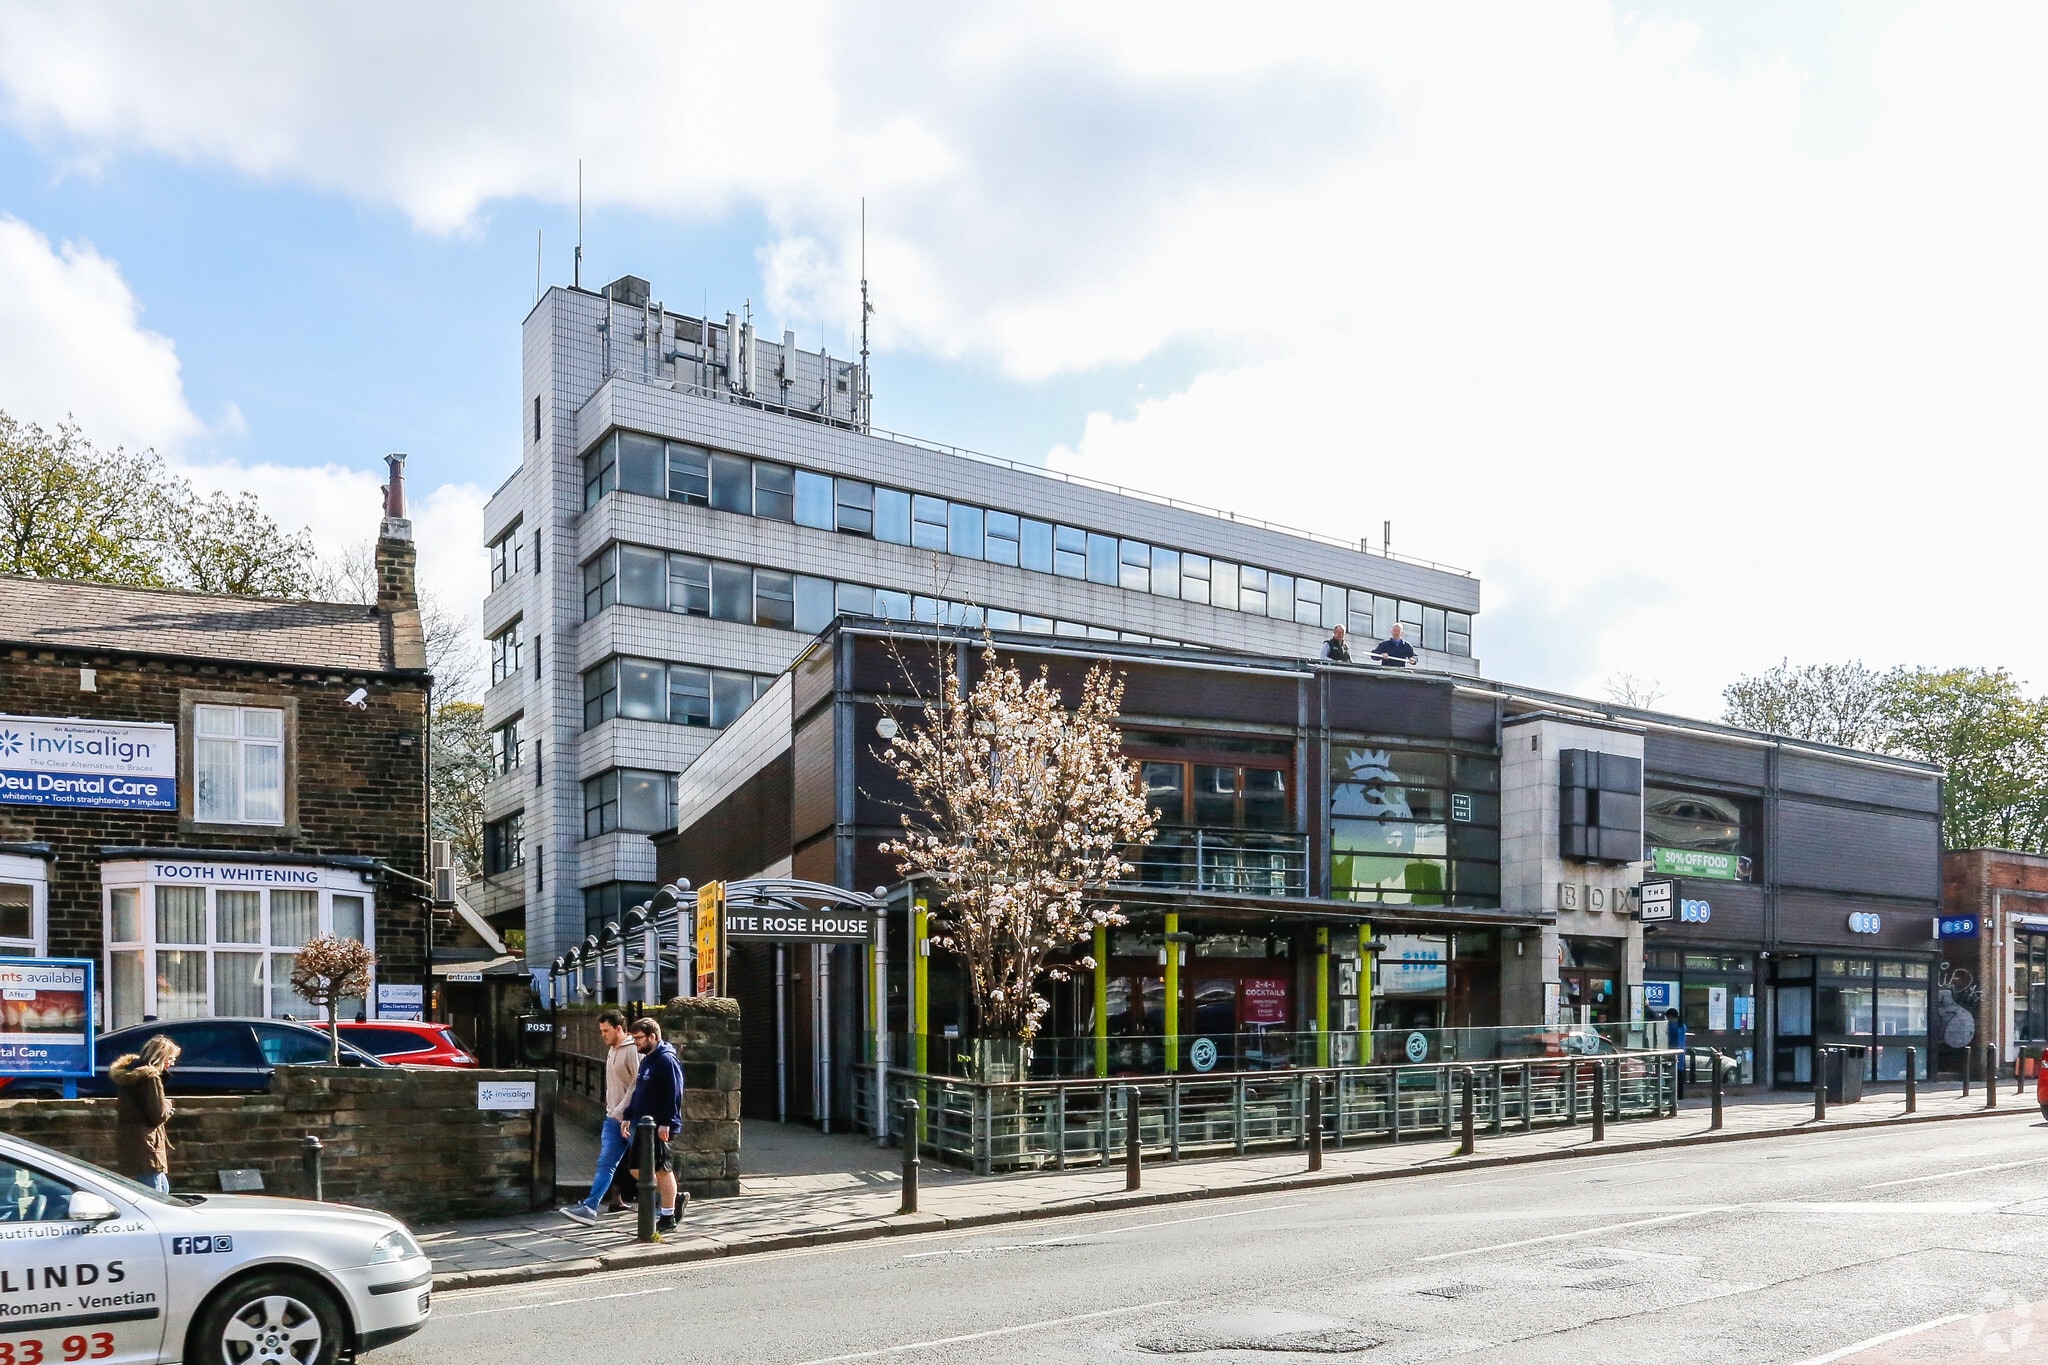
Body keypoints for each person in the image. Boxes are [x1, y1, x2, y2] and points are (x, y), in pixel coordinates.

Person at [559, 1009, 640, 1225]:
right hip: (613, 1118)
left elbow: (638, 1084)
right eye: (601, 1030)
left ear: (619, 1029)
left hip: (632, 1119)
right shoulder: (612, 1050)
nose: (602, 1034)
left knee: (646, 1165)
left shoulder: (632, 1050)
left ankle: (670, 1202)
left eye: (606, 1030)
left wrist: (624, 1111)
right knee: (606, 1164)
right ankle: (590, 1207)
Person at [623, 1017, 685, 1235]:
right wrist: (628, 1116)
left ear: (653, 1036)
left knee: (661, 1170)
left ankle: (668, 1217)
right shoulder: (647, 1059)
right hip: (642, 1125)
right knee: (636, 1169)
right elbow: (640, 1093)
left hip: (658, 1126)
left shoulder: (667, 1060)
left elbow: (675, 1093)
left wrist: (668, 1122)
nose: (635, 1043)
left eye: (638, 1038)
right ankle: (674, 1198)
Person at [110, 1034, 180, 1193]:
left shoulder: (130, 1074)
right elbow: (158, 1115)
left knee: (162, 1188)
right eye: (171, 1058)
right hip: (147, 1143)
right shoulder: (150, 1077)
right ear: (160, 1056)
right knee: (156, 1193)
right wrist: (169, 1105)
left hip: (132, 1140)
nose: (173, 1062)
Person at [1666, 1008, 1689, 1099]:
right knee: (1680, 1073)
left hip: (1673, 1051)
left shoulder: (1672, 1026)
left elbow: (1669, 1038)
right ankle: (1680, 1095)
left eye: (1668, 1017)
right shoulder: (1682, 1025)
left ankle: (1672, 1094)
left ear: (1670, 1016)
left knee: (1672, 1074)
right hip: (1681, 1051)